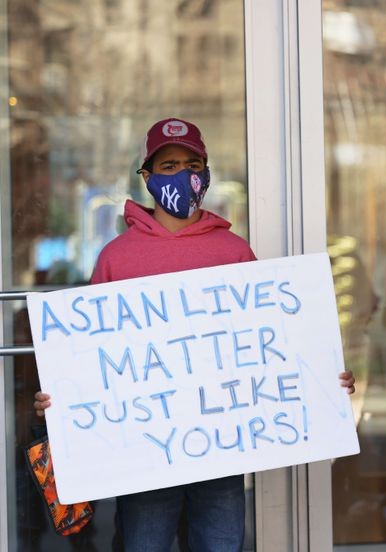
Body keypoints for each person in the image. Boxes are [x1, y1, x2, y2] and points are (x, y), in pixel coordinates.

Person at [33, 117, 357, 551]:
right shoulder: (117, 258)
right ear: (146, 177)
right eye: (168, 166)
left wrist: (323, 380)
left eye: (192, 163)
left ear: (206, 172)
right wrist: (61, 397)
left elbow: (272, 342)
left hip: (221, 449)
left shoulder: (234, 251)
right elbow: (92, 355)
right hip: (145, 452)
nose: (182, 174)